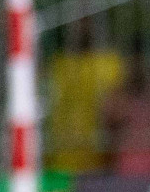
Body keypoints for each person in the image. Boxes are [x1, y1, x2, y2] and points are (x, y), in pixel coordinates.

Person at [44, 18, 123, 173]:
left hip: (100, 157)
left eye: (87, 23)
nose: (83, 28)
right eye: (79, 24)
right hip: (62, 157)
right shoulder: (58, 65)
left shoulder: (110, 64)